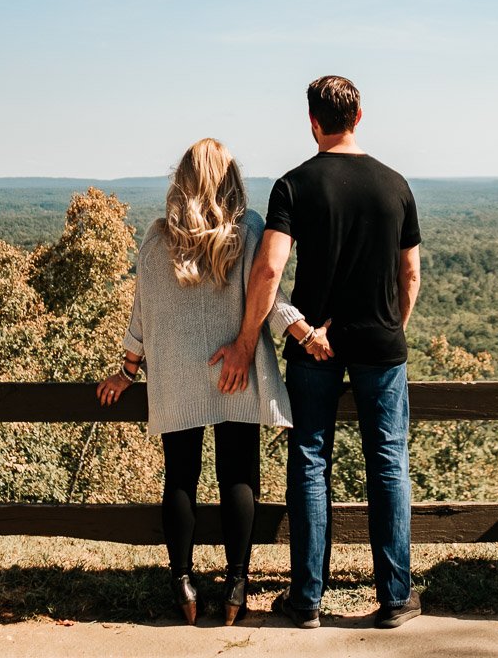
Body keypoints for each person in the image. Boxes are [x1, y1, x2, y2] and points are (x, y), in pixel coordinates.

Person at [210, 76, 423, 630]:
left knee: (309, 459)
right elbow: (410, 271)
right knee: (388, 461)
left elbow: (270, 268)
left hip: (315, 342)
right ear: (359, 116)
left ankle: (306, 601)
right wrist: (389, 327)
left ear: (312, 122)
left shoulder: (294, 185)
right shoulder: (396, 185)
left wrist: (251, 338)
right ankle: (395, 599)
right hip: (380, 342)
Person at [96, 138, 312, 626]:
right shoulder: (251, 228)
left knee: (180, 477)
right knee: (238, 474)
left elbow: (142, 315)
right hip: (234, 368)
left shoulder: (156, 239)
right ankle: (237, 584)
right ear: (231, 178)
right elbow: (269, 292)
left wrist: (129, 370)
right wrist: (302, 331)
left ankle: (183, 584)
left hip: (176, 375)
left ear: (182, 181)